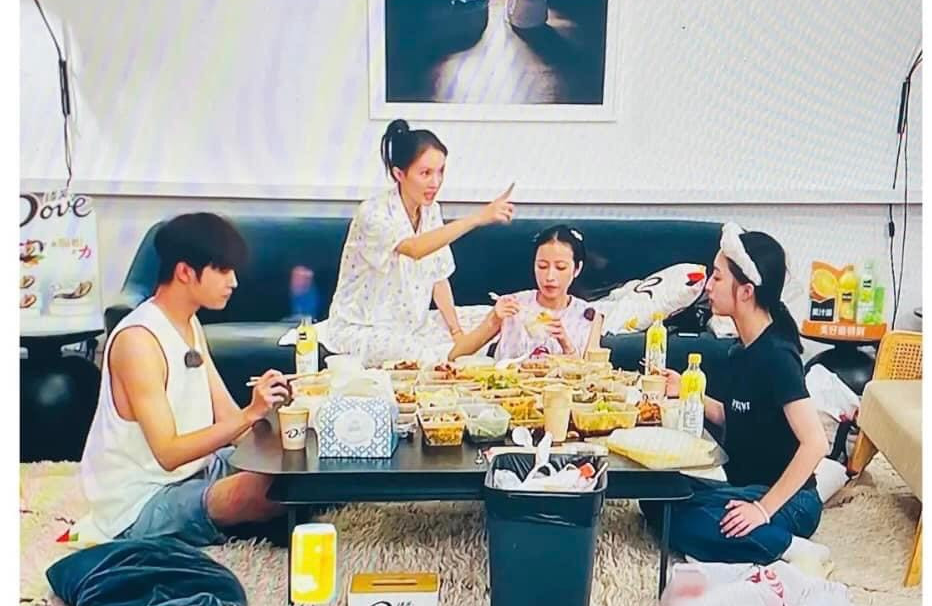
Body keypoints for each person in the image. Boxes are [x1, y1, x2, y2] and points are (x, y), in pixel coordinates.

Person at [81, 212, 291, 546]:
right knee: (263, 491)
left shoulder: (189, 324)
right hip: (140, 502)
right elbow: (168, 452)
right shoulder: (138, 341)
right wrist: (251, 413)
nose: (234, 282)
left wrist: (285, 440)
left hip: (198, 471)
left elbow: (227, 415)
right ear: (184, 272)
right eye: (223, 270)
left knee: (295, 475)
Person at [643, 224, 828, 565]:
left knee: (683, 521)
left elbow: (816, 443)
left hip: (789, 501)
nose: (708, 286)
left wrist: (762, 510)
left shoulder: (777, 356)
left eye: (716, 277)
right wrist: (686, 389)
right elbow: (739, 415)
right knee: (655, 497)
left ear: (746, 291)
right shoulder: (740, 351)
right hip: (744, 487)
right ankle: (753, 536)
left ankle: (790, 548)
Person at [321, 118, 515, 367]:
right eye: (426, 173)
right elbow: (414, 248)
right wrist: (478, 217)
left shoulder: (431, 210)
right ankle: (452, 360)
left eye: (440, 171)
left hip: (413, 323)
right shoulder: (373, 213)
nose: (435, 182)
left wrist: (457, 332)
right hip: (365, 327)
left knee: (489, 317)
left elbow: (438, 276)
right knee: (417, 353)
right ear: (399, 174)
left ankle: (460, 354)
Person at [449, 224, 603, 361]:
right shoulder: (512, 305)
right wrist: (494, 320)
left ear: (577, 269)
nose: (550, 276)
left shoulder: (589, 316)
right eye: (542, 266)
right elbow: (455, 355)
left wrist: (566, 345)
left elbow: (595, 374)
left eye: (560, 267)